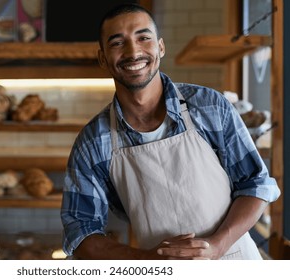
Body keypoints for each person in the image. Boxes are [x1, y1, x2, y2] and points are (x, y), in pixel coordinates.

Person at [60, 3, 280, 260]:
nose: (133, 52)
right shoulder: (93, 142)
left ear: (160, 47)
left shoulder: (208, 105)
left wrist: (217, 246)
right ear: (102, 58)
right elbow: (80, 230)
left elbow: (255, 184)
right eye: (118, 43)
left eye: (143, 38)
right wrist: (149, 260)